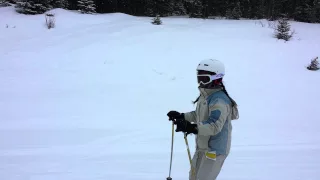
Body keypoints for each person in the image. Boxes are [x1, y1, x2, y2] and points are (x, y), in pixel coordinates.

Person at [167, 59, 239, 180]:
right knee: (193, 178)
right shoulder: (205, 96)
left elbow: (214, 125)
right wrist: (182, 116)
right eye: (199, 77)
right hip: (202, 147)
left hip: (214, 150)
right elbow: (199, 115)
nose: (200, 81)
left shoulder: (219, 100)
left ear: (216, 78)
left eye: (204, 78)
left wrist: (192, 127)